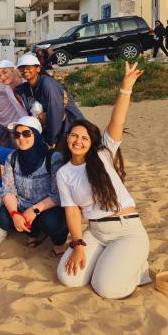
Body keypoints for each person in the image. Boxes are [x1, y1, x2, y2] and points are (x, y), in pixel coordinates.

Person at [56, 62, 151, 299]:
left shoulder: (103, 154)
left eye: (84, 137)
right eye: (74, 135)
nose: (78, 140)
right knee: (69, 278)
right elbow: (72, 212)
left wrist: (126, 87)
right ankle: (111, 262)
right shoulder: (63, 172)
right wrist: (78, 244)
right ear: (67, 139)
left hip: (126, 230)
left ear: (92, 141)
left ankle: (138, 267)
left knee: (107, 289)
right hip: (96, 232)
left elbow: (117, 121)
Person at [0, 116, 68, 252]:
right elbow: (8, 190)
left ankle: (58, 243)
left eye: (26, 133)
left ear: (36, 134)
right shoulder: (12, 158)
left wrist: (35, 210)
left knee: (53, 223)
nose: (21, 138)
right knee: (3, 219)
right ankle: (32, 233)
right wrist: (14, 214)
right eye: (17, 135)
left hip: (46, 207)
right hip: (23, 205)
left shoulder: (52, 157)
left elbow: (58, 194)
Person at [15, 54, 83, 148]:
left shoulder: (48, 85)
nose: (25, 70)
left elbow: (55, 112)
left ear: (38, 68)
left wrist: (52, 139)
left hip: (70, 127)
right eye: (21, 68)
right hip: (54, 130)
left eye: (29, 67)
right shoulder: (27, 88)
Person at [0, 60, 28, 148]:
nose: (2, 77)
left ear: (13, 70)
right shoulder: (8, 90)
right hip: (25, 127)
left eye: (5, 72)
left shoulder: (28, 84)